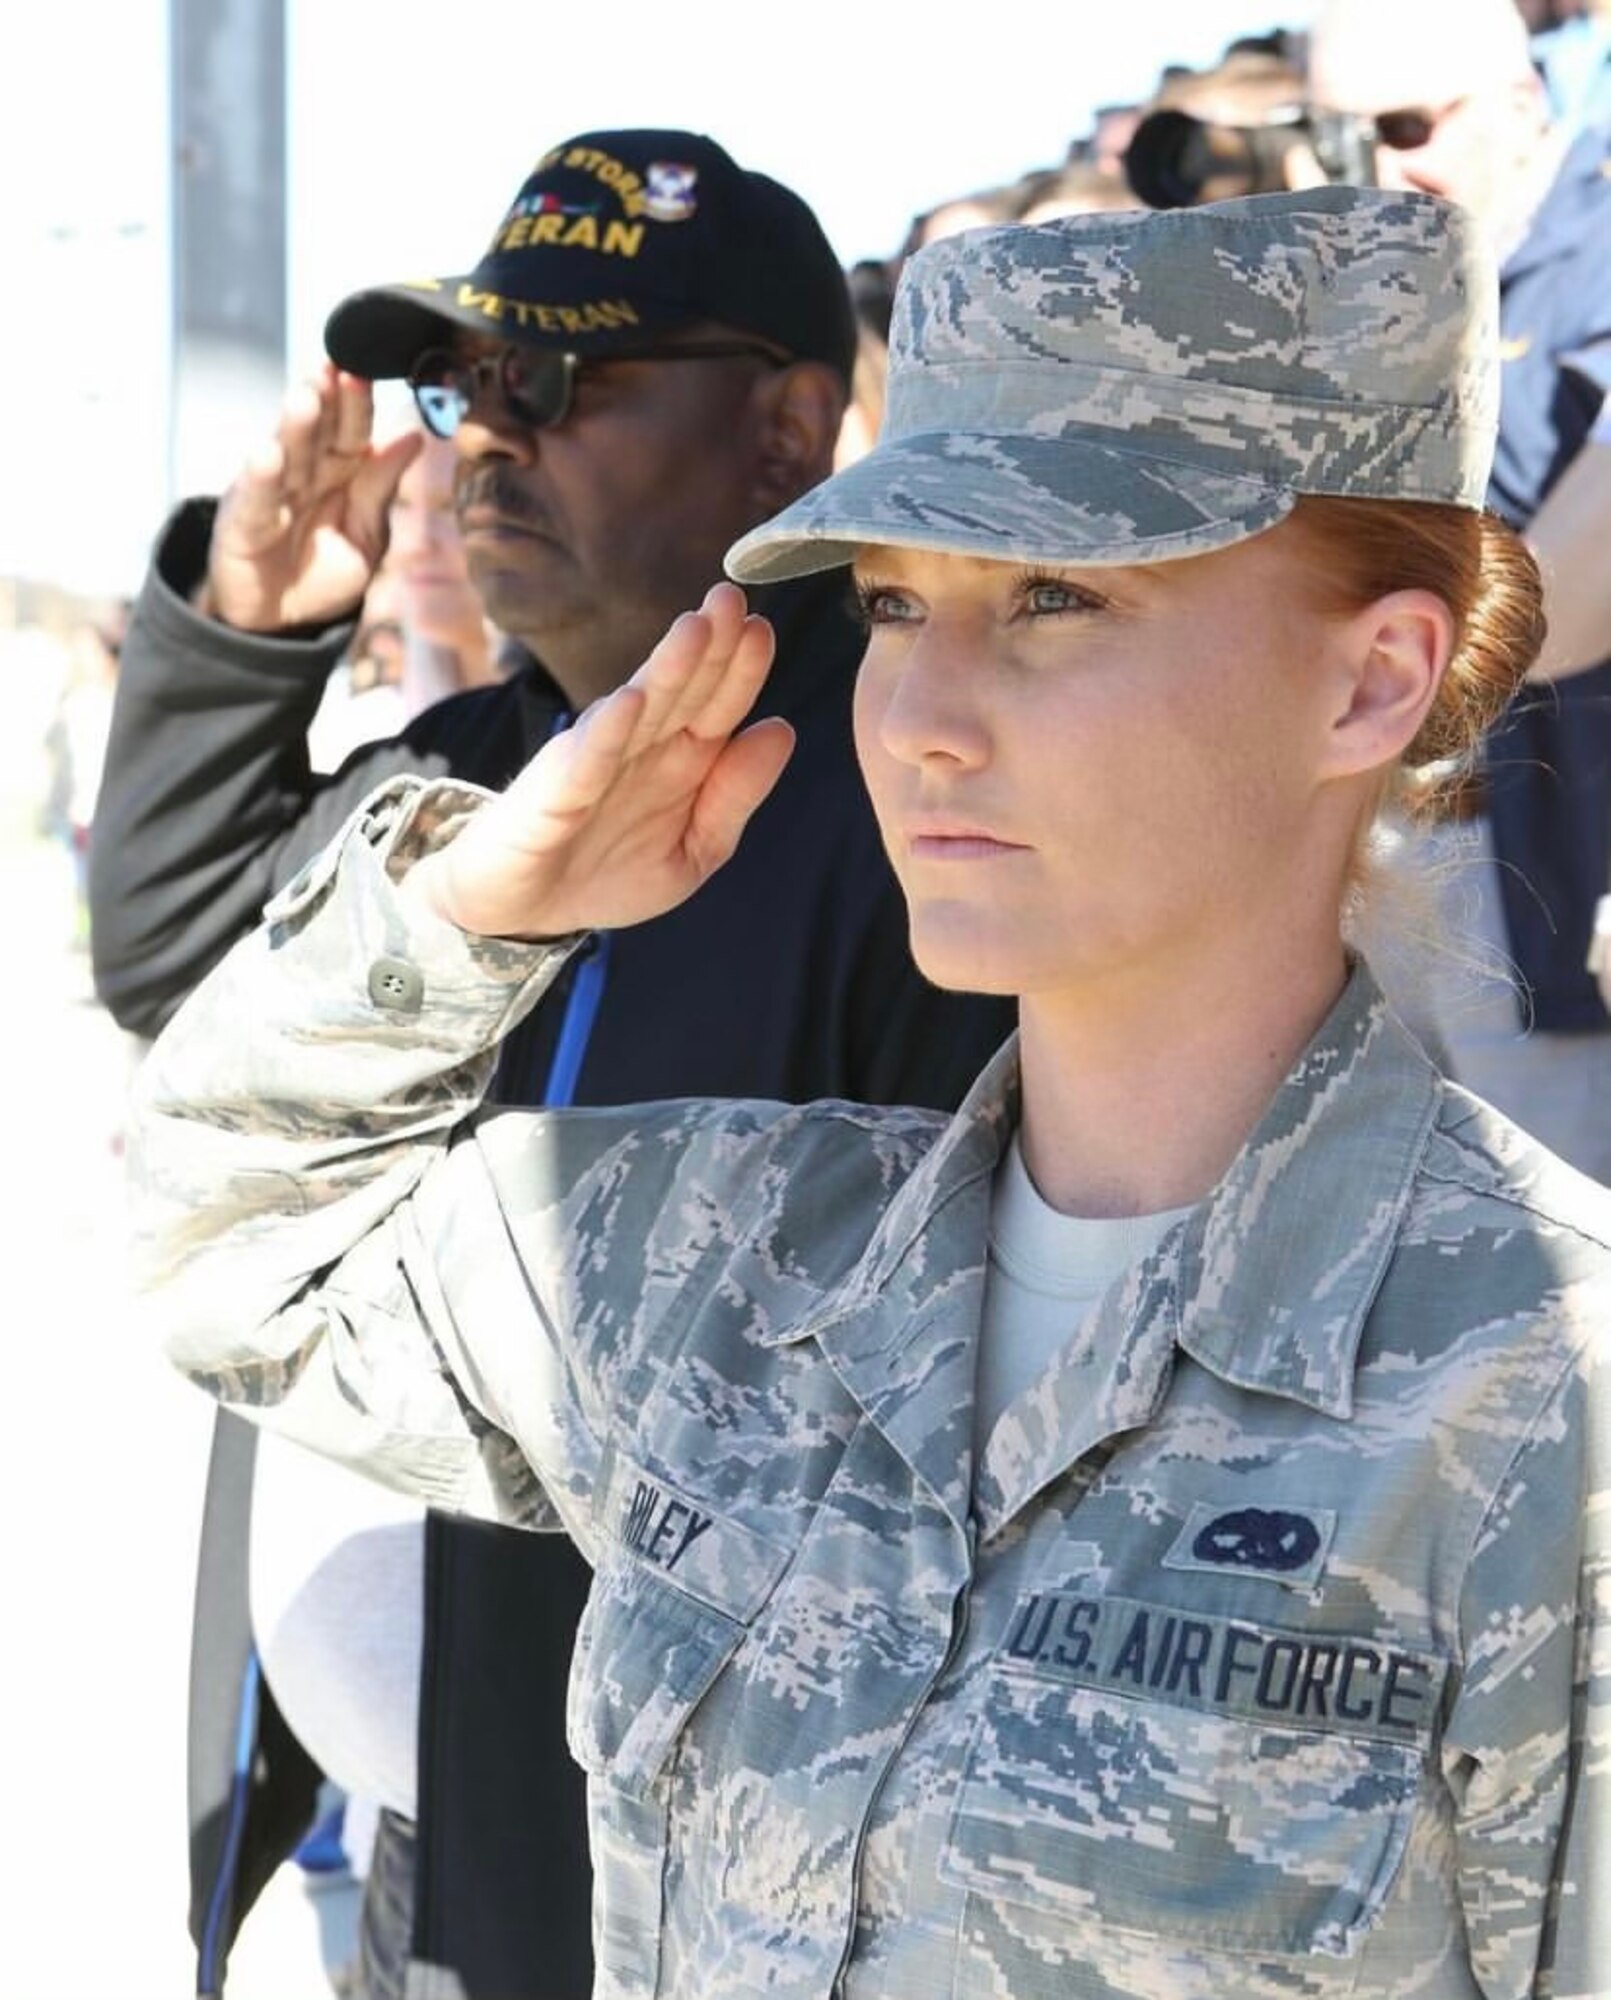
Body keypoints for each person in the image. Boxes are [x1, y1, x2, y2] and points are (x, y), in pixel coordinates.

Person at [135, 187, 1606, 1999]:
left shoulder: (1545, 1411)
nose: (918, 711)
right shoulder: (720, 1260)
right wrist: (457, 913)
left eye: (1057, 597)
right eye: (900, 603)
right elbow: (218, 1251)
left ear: (1373, 677)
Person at [91, 128, 1014, 2000]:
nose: (488, 433)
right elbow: (175, 956)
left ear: (783, 430)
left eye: (564, 379)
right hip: (458, 1838)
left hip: (696, 1869)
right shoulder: (485, 742)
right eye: (472, 383)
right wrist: (249, 643)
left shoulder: (907, 802)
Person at [1305, 0, 1611, 1180]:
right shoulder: (1363, 306)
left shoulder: (1592, 253)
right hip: (1392, 860)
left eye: (1406, 123)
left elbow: (1562, 610)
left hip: (1556, 865)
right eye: (1335, 140)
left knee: (1565, 1281)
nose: (1379, 168)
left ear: (1524, 106)